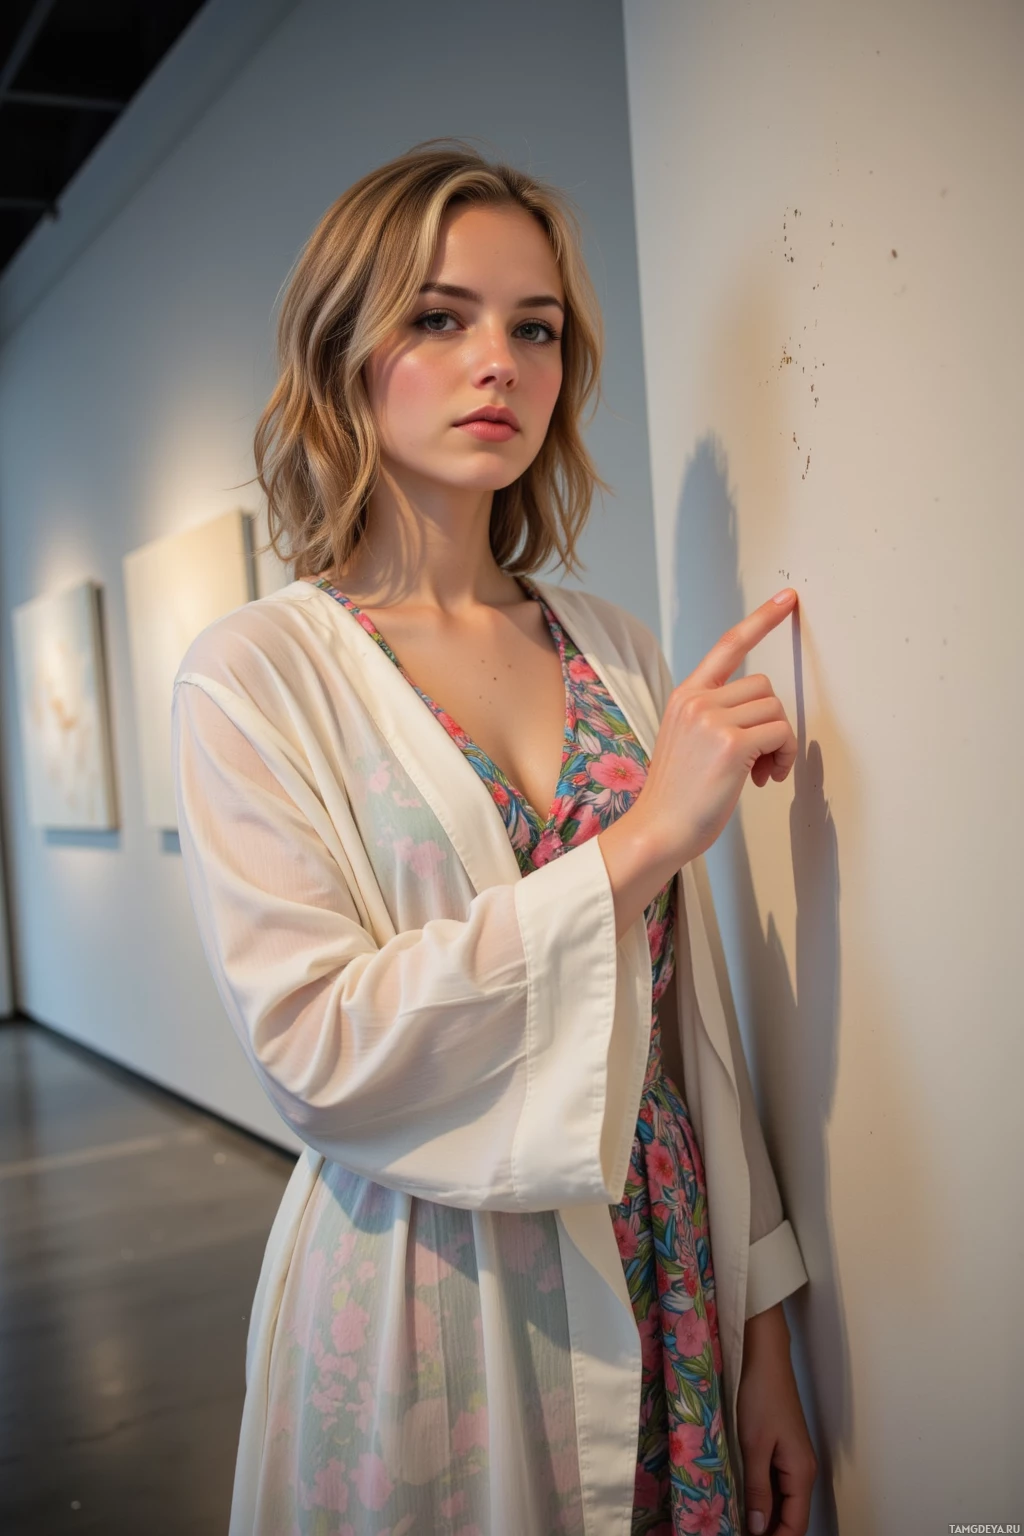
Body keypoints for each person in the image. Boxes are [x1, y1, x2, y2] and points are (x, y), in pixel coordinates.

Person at [172, 138, 817, 1536]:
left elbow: (693, 1022)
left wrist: (767, 1340)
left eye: (536, 329)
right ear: (346, 348)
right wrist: (644, 836)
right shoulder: (256, 674)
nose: (501, 364)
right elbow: (317, 1044)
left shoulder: (616, 650)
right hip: (426, 1287)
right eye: (441, 317)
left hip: (669, 1260)